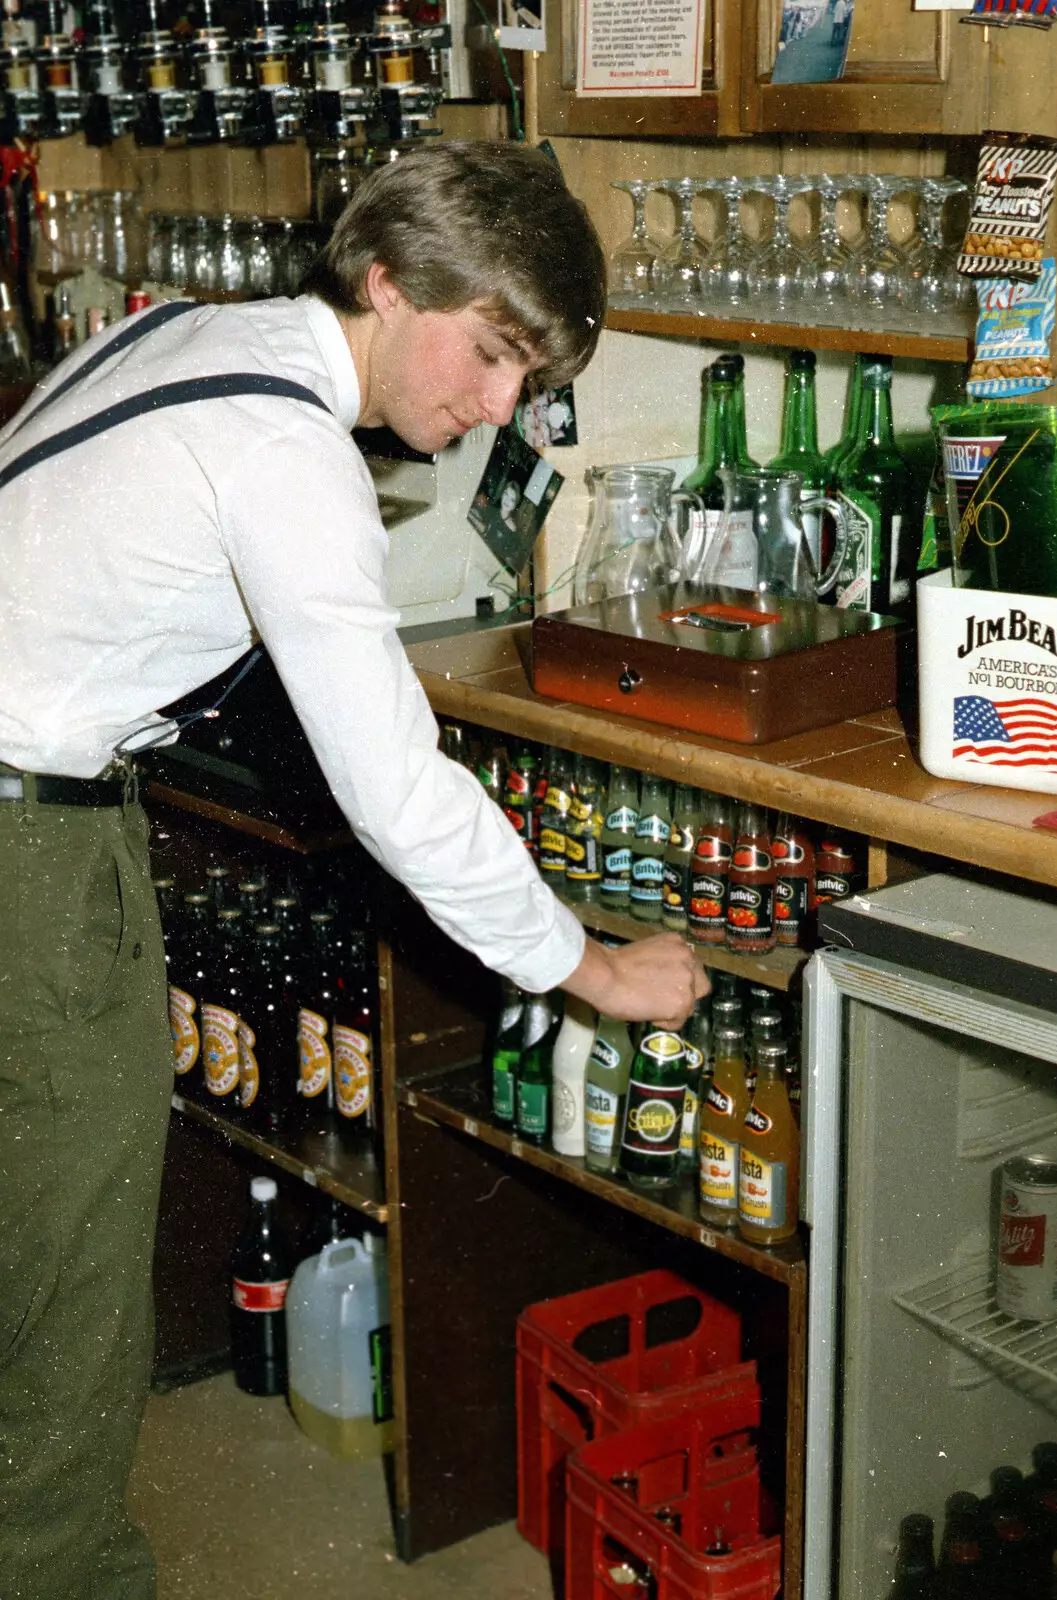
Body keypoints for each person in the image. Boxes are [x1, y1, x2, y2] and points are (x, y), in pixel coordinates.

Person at [0, 140, 708, 1600]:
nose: (498, 405)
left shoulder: (189, 336)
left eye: (529, 377)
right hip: (29, 849)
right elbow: (393, 784)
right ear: (386, 282)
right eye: (491, 353)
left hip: (40, 795)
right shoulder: (290, 451)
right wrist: (585, 963)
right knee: (67, 1308)